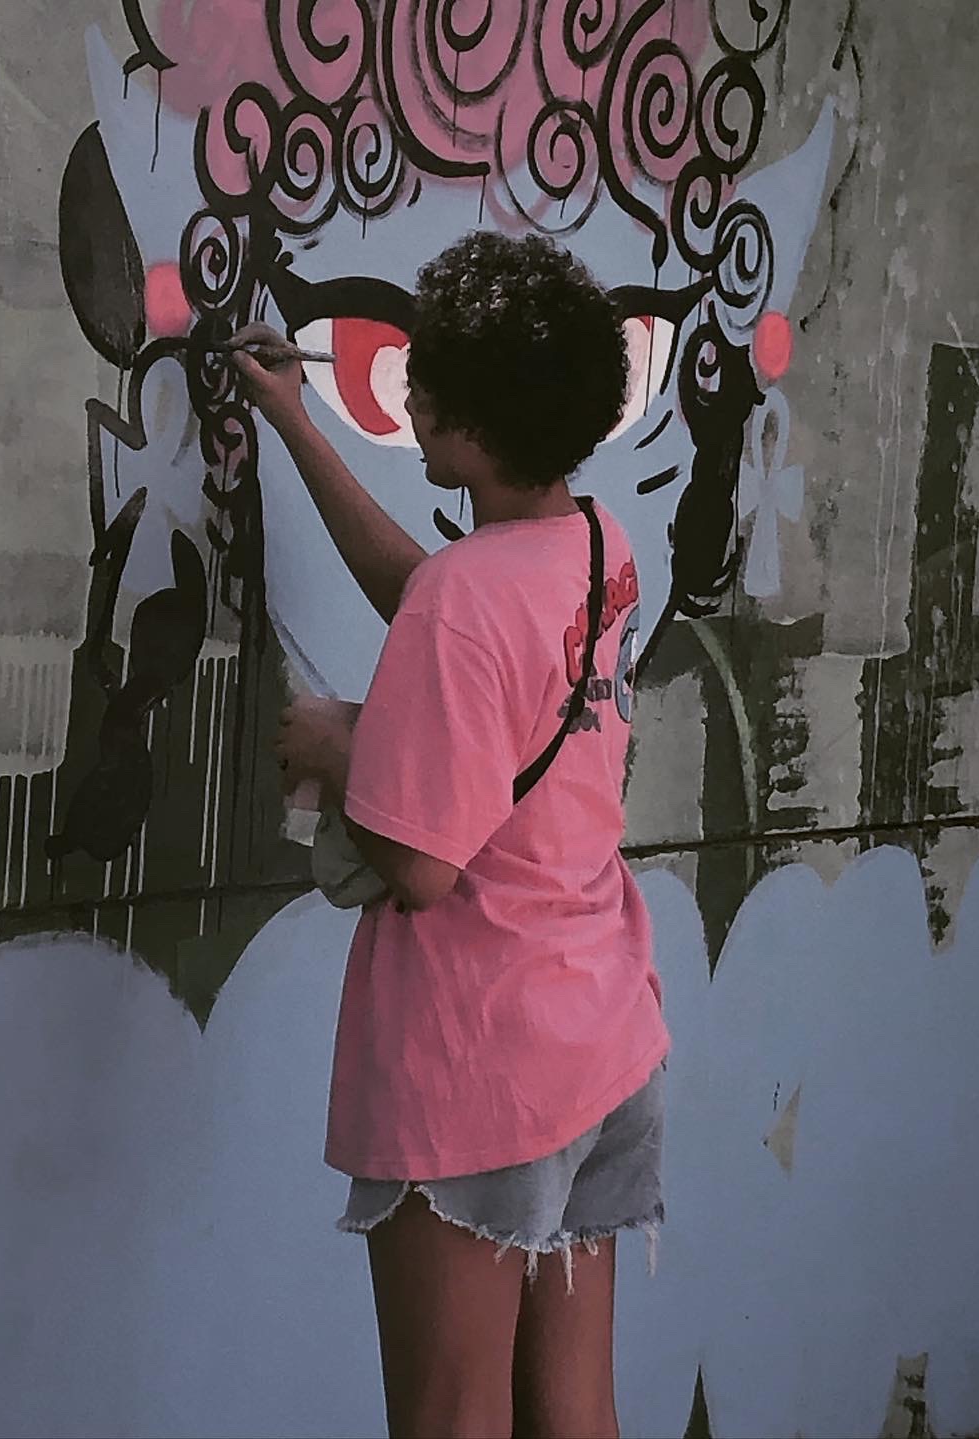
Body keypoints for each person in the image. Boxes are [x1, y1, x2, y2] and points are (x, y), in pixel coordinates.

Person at [231, 230, 669, 1439]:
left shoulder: (466, 601)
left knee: (451, 1413)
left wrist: (340, 747)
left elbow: (422, 866)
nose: (408, 398)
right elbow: (442, 605)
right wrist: (297, 427)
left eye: (422, 387)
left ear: (469, 430)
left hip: (478, 1069)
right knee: (574, 1411)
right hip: (598, 1037)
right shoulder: (596, 545)